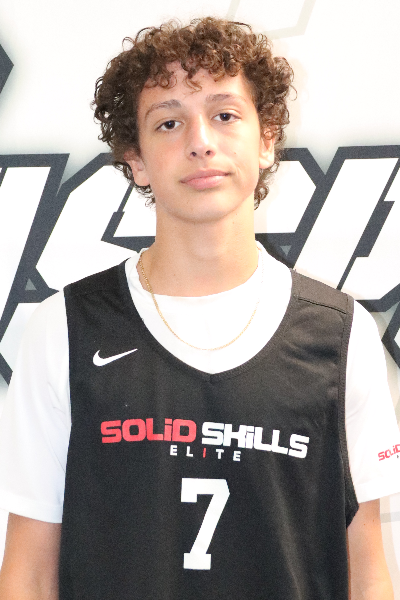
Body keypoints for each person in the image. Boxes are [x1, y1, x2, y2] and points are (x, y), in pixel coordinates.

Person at [0, 16, 399, 600]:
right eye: (169, 122)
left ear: (267, 141)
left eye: (225, 114)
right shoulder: (65, 328)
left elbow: (366, 571)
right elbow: (29, 573)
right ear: (136, 160)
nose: (200, 141)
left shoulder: (341, 336)